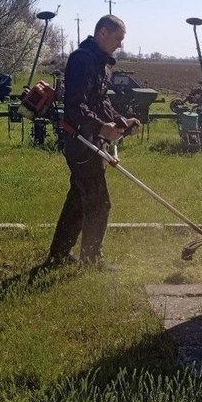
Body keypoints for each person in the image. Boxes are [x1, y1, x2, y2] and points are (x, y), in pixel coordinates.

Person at [45, 14, 140, 268]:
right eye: (118, 38)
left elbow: (100, 102)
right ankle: (91, 259)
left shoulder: (102, 64)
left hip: (90, 139)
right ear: (102, 34)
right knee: (99, 202)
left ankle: (58, 256)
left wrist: (120, 122)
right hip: (79, 141)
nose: (120, 44)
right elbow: (76, 106)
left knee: (79, 197)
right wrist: (101, 128)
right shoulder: (81, 60)